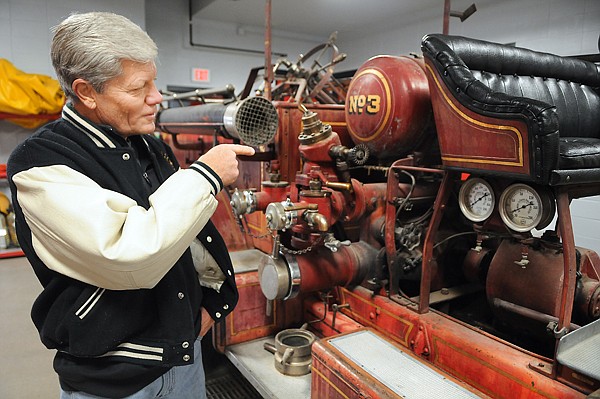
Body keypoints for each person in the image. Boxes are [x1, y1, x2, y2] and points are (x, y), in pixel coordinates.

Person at [7, 11, 255, 399]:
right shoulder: (41, 162)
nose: (156, 98)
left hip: (183, 358)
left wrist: (211, 299)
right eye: (139, 88)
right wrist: (205, 176)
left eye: (154, 82)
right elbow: (129, 253)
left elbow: (186, 235)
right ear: (87, 92)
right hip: (114, 381)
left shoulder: (147, 145)